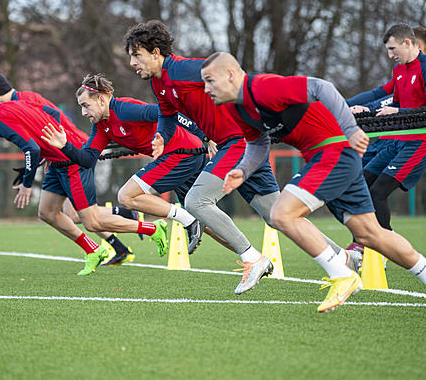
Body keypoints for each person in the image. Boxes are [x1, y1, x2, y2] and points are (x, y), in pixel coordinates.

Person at [200, 51, 426, 317]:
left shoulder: (264, 87)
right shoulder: (233, 106)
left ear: (231, 75)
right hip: (329, 156)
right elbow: (257, 143)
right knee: (372, 235)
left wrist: (351, 129)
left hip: (333, 152)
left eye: (210, 80)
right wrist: (243, 170)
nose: (206, 89)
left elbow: (321, 87)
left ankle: (341, 274)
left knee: (281, 214)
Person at [122, 20, 359, 295]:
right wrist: (162, 135)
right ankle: (345, 258)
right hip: (240, 144)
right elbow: (167, 114)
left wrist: (258, 109)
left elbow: (231, 76)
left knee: (196, 201)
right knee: (275, 215)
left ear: (155, 52)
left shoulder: (184, 69)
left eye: (136, 55)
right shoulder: (159, 84)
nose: (131, 62)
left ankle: (253, 259)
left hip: (239, 142)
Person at [0, 100, 168, 275]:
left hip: (71, 162)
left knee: (92, 223)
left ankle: (152, 228)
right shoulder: (10, 105)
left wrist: (26, 184)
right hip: (56, 162)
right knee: (47, 212)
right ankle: (93, 250)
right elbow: (51, 113)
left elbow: (30, 148)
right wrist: (49, 148)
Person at [40, 73, 208, 254]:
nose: (83, 112)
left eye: (86, 105)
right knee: (202, 212)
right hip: (175, 158)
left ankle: (188, 220)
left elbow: (167, 112)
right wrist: (65, 147)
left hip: (184, 154)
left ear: (102, 100)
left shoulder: (124, 109)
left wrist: (205, 136)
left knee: (126, 196)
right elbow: (88, 160)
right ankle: (243, 253)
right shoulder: (101, 126)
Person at [0, 71, 139, 265]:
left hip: (71, 154)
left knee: (78, 215)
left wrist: (57, 151)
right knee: (71, 215)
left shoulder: (25, 99)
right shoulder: (11, 106)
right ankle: (120, 245)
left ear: (3, 92)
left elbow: (55, 119)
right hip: (61, 157)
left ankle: (127, 221)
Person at [359, 24, 426, 232]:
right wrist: (365, 109)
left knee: (379, 192)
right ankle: (368, 244)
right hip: (400, 140)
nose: (390, 55)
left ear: (407, 43)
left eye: (392, 49)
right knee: (362, 183)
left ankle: (384, 249)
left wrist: (396, 112)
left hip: (422, 141)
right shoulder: (398, 70)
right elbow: (395, 104)